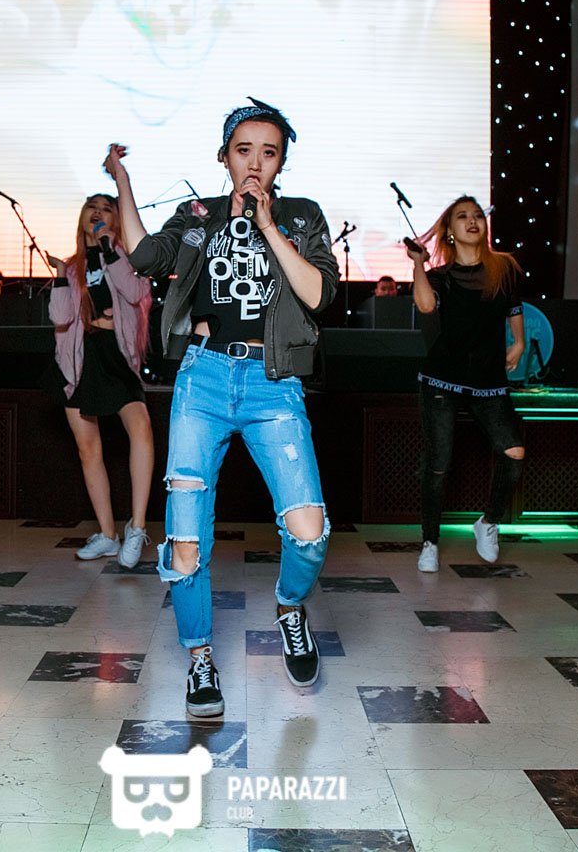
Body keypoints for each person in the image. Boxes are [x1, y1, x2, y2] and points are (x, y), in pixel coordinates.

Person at [109, 97, 339, 718]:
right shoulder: (197, 216)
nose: (255, 163)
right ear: (224, 157)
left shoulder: (301, 215)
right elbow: (144, 256)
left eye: (269, 153)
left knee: (309, 531)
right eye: (244, 151)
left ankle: (290, 607)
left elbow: (317, 293)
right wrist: (123, 182)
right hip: (204, 379)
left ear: (281, 162)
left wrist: (268, 225)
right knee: (185, 541)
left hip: (273, 382)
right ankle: (200, 658)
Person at [407, 196, 525, 574]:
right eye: (462, 216)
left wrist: (519, 341)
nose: (472, 221)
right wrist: (418, 264)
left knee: (514, 453)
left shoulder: (504, 269)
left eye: (477, 216)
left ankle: (488, 521)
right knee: (438, 463)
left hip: (489, 379)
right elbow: (426, 306)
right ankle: (430, 541)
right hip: (442, 377)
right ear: (450, 231)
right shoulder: (441, 276)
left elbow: (514, 306)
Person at [46, 194, 155, 568]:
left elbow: (136, 293)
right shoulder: (72, 267)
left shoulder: (126, 259)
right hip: (81, 357)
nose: (98, 212)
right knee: (87, 448)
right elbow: (60, 317)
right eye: (92, 206)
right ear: (82, 217)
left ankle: (137, 527)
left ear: (116, 222)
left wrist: (110, 250)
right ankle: (108, 535)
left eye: (107, 208)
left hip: (116, 353)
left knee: (141, 428)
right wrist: (61, 277)